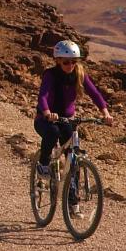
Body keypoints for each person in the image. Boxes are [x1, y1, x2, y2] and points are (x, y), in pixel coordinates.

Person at [35, 40, 111, 177]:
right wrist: (47, 113)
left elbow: (95, 94)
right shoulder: (50, 75)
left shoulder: (79, 74)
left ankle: (71, 194)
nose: (70, 65)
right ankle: (43, 163)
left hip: (66, 120)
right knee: (52, 132)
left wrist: (105, 113)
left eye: (74, 61)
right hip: (45, 120)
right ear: (58, 60)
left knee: (72, 154)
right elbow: (43, 97)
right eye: (66, 62)